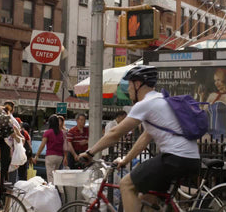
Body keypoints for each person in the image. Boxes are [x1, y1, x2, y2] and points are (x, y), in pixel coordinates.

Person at [79, 65, 200, 212]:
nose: (128, 89)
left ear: (138, 84)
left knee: (126, 185)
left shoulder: (145, 104)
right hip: (190, 158)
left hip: (174, 158)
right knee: (147, 199)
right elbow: (145, 137)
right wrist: (125, 160)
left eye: (129, 85)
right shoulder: (161, 100)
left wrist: (90, 152)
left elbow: (115, 133)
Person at [33, 114, 68, 183]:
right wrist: (65, 156)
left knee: (50, 175)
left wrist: (37, 155)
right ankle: (56, 188)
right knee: (55, 175)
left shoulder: (47, 132)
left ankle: (52, 190)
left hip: (50, 156)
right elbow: (65, 146)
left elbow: (42, 145)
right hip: (59, 157)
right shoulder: (62, 133)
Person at [205, 68, 226, 136]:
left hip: (223, 134)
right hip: (210, 135)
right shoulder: (212, 95)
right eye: (215, 80)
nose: (216, 83)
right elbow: (202, 112)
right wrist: (201, 97)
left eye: (218, 80)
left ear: (224, 80)